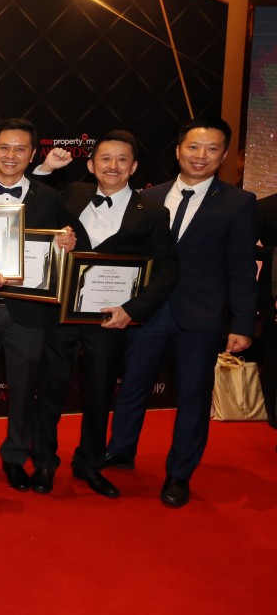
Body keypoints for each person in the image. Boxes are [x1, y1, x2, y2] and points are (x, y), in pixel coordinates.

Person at [105, 117, 257, 507]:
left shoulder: (239, 203)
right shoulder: (148, 196)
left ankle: (178, 474)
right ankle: (120, 450)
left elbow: (241, 267)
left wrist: (242, 323)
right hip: (149, 313)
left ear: (223, 155)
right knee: (132, 387)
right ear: (178, 151)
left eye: (211, 149)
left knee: (192, 396)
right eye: (193, 147)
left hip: (201, 318)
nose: (200, 156)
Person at [32, 130, 179, 498]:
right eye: (105, 159)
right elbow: (32, 200)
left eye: (122, 160)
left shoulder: (154, 213)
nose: (113, 166)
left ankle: (89, 465)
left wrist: (132, 310)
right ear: (91, 165)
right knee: (50, 392)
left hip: (110, 322)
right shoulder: (71, 196)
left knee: (99, 396)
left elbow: (166, 270)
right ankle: (45, 463)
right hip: (63, 316)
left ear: (134, 167)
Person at [0, 119, 74, 494]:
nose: (11, 155)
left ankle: (14, 457)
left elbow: (59, 258)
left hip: (28, 313)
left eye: (20, 149)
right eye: (5, 147)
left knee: (24, 391)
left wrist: (66, 246)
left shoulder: (51, 198)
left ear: (32, 155)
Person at [257, 193, 277, 432]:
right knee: (273, 356)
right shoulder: (265, 207)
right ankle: (274, 415)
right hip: (272, 294)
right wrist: (271, 253)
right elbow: (242, 245)